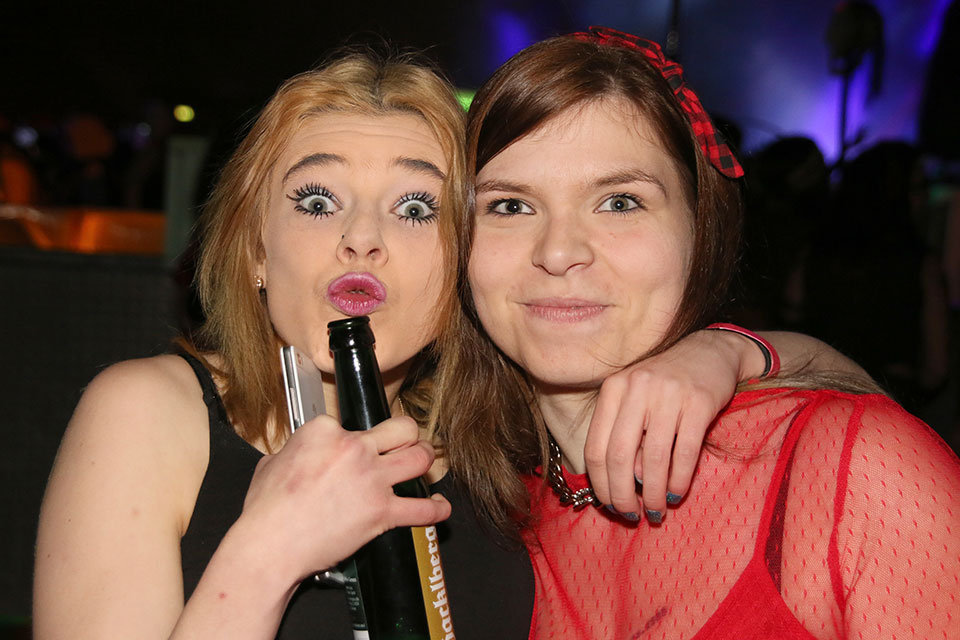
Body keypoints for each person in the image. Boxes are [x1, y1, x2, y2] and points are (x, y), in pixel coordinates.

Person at [33, 47, 867, 639]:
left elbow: (861, 394)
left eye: (415, 208)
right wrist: (263, 554)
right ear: (255, 248)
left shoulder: (499, 436)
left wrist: (723, 354)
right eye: (318, 202)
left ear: (463, 258)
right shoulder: (153, 413)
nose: (361, 239)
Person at [436, 27, 960, 639]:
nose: (557, 252)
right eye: (509, 205)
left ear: (700, 229)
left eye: (620, 202)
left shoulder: (850, 471)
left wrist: (736, 347)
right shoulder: (474, 529)